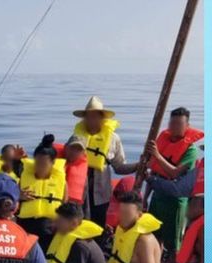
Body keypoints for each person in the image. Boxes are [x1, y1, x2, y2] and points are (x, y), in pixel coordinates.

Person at [71, 96, 138, 227]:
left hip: (101, 193)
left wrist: (137, 165)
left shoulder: (113, 138)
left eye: (95, 116)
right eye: (88, 116)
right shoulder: (76, 137)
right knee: (79, 226)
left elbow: (119, 167)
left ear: (102, 118)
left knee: (98, 226)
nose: (91, 120)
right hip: (79, 193)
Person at [144, 107, 204, 254]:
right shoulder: (162, 143)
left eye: (179, 124)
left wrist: (157, 155)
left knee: (173, 242)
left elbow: (175, 173)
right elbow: (154, 172)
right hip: (157, 196)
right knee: (154, 234)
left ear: (187, 126)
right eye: (172, 123)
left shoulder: (191, 151)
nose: (174, 127)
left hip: (175, 201)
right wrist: (145, 197)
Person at [18, 135, 68, 251]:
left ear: (52, 163)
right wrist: (18, 196)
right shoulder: (24, 178)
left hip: (49, 228)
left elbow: (65, 205)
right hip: (26, 225)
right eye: (37, 163)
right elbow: (12, 200)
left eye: (44, 164)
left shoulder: (61, 182)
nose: (39, 167)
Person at [159, 171, 204, 263]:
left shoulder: (203, 228)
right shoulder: (193, 224)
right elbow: (186, 256)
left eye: (191, 201)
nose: (187, 205)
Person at [63, 135, 89, 207]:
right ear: (65, 147)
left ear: (84, 153)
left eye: (78, 149)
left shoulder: (83, 176)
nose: (74, 152)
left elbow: (85, 204)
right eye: (72, 148)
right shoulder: (51, 165)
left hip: (71, 211)